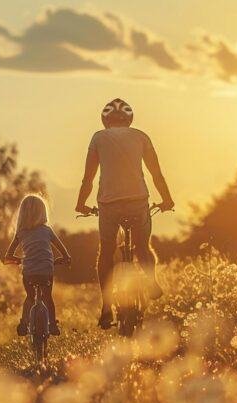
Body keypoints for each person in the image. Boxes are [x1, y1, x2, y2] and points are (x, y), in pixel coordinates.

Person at [75, 98, 175, 329]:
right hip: (137, 201)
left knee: (107, 252)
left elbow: (88, 178)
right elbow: (156, 174)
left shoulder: (98, 138)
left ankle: (106, 307)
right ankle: (150, 282)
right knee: (142, 246)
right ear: (129, 120)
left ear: (105, 120)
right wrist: (167, 199)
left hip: (109, 204)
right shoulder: (141, 137)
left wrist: (81, 204)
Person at [4, 195, 71, 336]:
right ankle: (52, 325)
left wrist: (17, 260)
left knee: (29, 297)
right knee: (47, 297)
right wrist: (65, 258)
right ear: (42, 212)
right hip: (46, 270)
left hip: (29, 272)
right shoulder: (47, 230)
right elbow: (62, 249)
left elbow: (8, 255)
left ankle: (24, 323)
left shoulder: (21, 233)